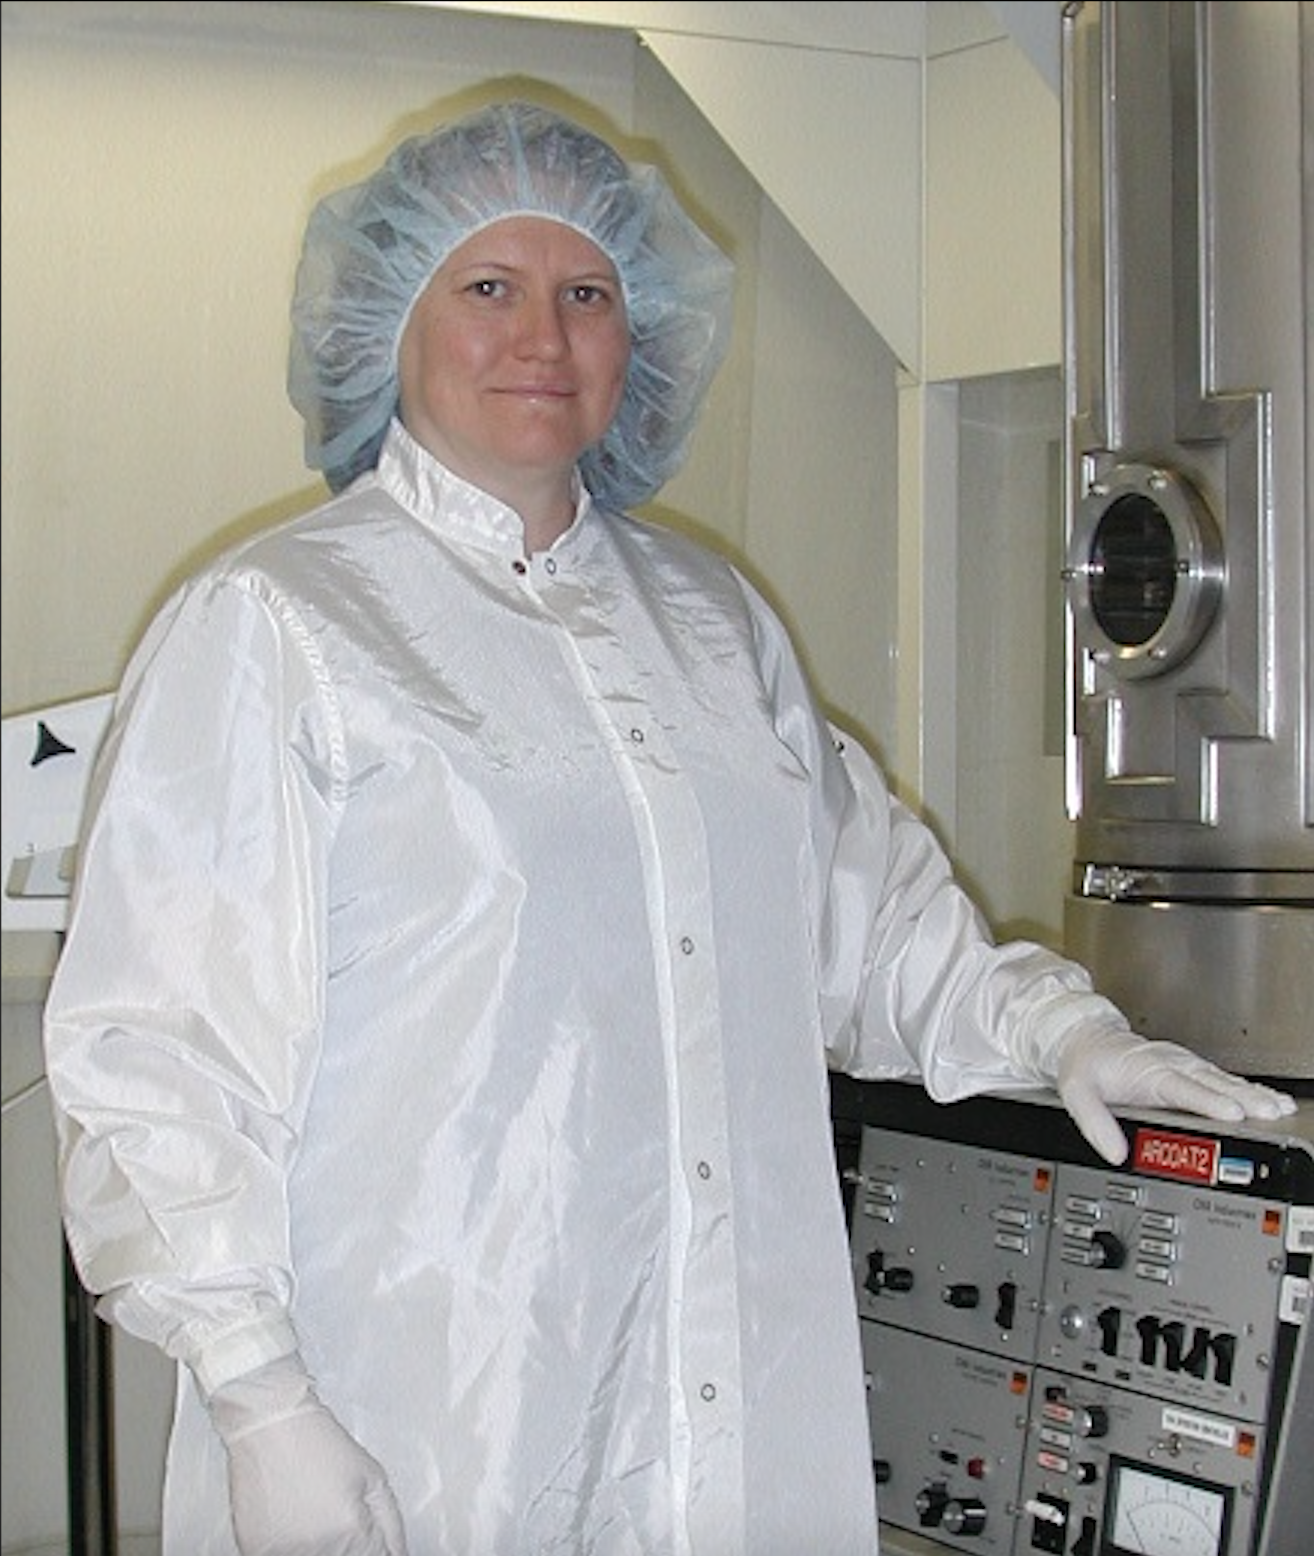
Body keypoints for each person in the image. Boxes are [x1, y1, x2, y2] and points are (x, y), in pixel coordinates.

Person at [42, 99, 1295, 1556]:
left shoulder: (708, 624)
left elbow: (863, 924)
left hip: (727, 1403)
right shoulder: (278, 627)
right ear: (391, 323)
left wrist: (1064, 1035)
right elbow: (158, 1054)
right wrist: (256, 1392)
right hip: (420, 1411)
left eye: (587, 294)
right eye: (488, 289)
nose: (543, 339)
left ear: (639, 340)